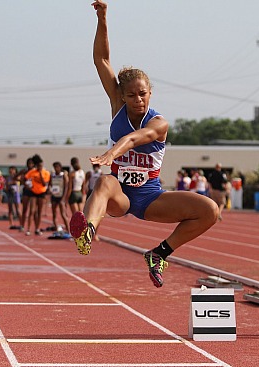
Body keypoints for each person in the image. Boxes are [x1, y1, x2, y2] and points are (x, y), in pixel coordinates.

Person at [69, 0, 218, 288]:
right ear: (122, 97)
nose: (138, 100)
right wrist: (102, 18)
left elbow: (137, 138)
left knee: (210, 210)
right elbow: (102, 61)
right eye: (132, 95)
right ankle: (87, 231)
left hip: (150, 199)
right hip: (120, 196)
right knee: (103, 183)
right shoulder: (118, 107)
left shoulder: (159, 122)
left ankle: (159, 254)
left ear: (151, 93)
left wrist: (112, 152)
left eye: (143, 94)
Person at [24, 154, 50, 236]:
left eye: (41, 166)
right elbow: (25, 179)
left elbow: (44, 183)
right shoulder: (32, 172)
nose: (40, 167)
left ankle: (37, 228)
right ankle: (28, 229)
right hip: (33, 193)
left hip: (42, 193)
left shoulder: (46, 173)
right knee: (32, 211)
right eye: (38, 166)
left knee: (39, 212)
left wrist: (41, 175)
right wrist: (27, 186)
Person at [49, 161, 70, 232]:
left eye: (57, 167)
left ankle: (68, 230)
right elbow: (49, 184)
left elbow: (66, 186)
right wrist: (50, 189)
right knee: (54, 214)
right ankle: (56, 228)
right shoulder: (52, 175)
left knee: (63, 214)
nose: (56, 169)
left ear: (60, 167)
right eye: (54, 167)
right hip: (54, 196)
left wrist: (64, 197)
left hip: (61, 196)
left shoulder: (63, 175)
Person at [16, 157, 35, 233]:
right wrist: (23, 182)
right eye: (29, 163)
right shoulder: (25, 171)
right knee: (25, 209)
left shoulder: (35, 172)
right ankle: (22, 225)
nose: (30, 165)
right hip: (26, 191)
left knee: (32, 211)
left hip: (34, 191)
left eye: (31, 163)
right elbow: (16, 177)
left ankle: (29, 228)